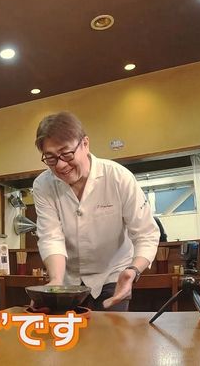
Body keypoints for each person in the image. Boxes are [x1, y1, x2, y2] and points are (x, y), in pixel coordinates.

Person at [32, 112, 159, 311]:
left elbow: (146, 234)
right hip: (69, 279)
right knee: (70, 330)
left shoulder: (118, 177)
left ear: (85, 143)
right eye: (51, 158)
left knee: (112, 329)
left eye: (66, 153)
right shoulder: (43, 185)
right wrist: (55, 281)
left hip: (114, 274)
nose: (61, 165)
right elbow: (51, 236)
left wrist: (133, 270)